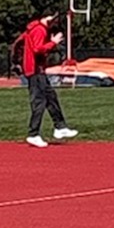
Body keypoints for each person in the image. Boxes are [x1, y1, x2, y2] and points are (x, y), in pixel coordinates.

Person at [21, 10, 77, 148]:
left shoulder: (37, 28)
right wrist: (52, 42)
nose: (56, 21)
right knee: (39, 101)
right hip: (35, 70)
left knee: (51, 97)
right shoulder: (39, 30)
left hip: (37, 70)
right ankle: (33, 134)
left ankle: (60, 126)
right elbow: (37, 49)